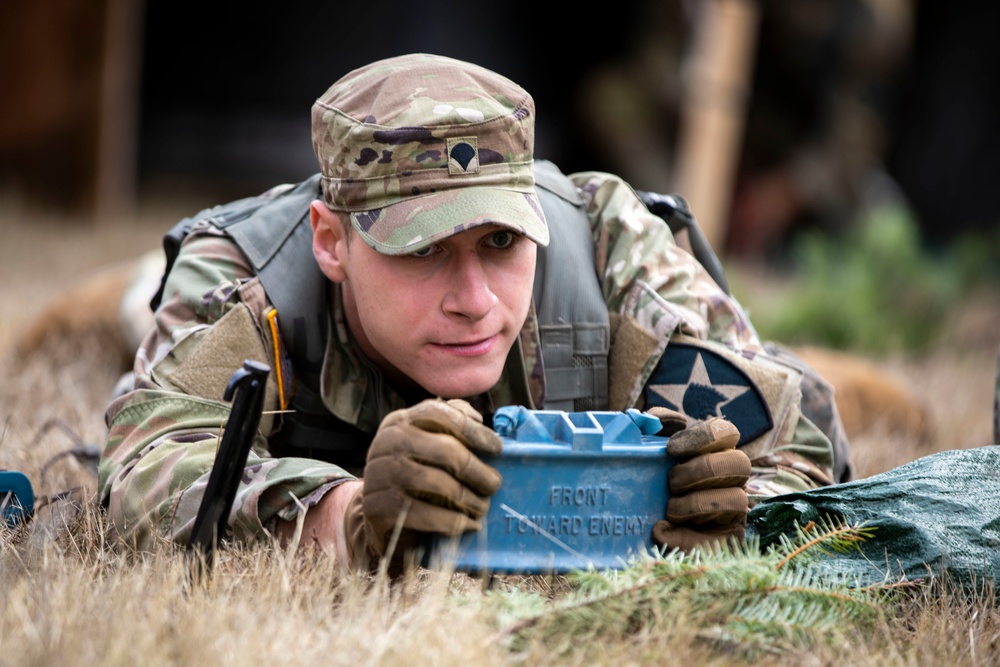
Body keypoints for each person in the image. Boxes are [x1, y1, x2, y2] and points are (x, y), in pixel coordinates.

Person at [98, 53, 847, 572]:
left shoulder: (604, 239)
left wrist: (733, 505)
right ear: (331, 241)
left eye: (500, 241)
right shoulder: (248, 272)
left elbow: (792, 421)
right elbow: (144, 464)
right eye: (422, 250)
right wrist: (345, 515)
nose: (477, 300)